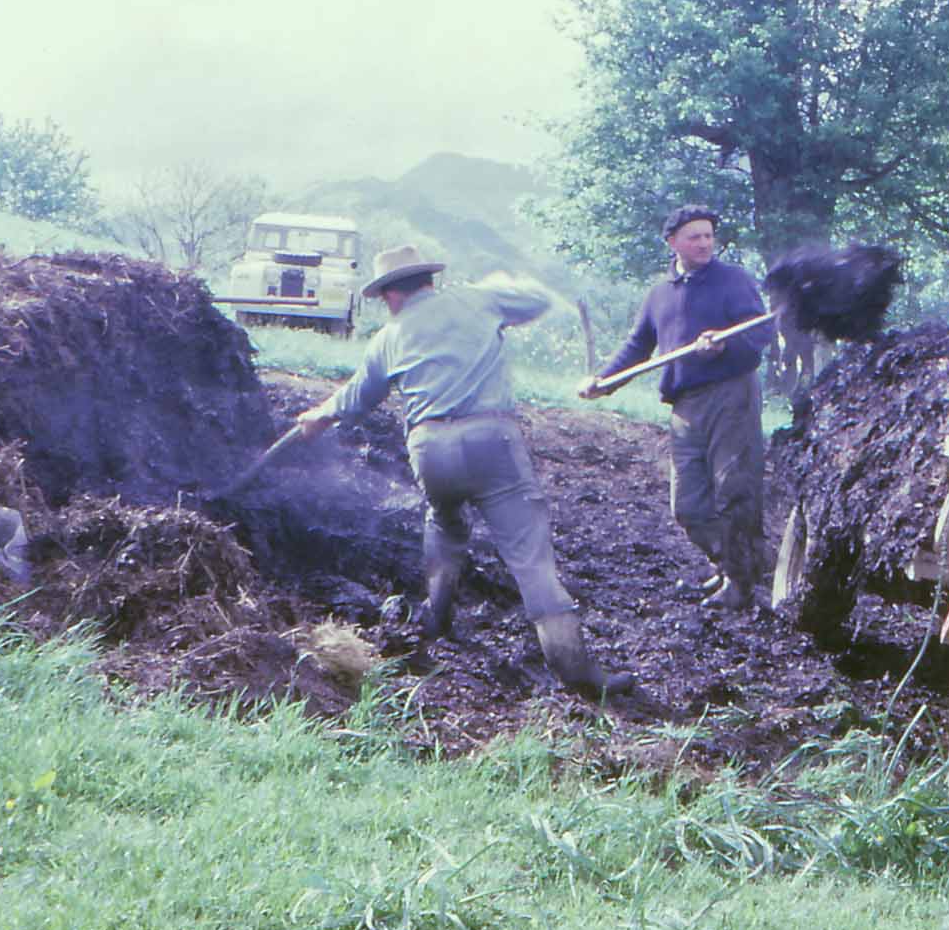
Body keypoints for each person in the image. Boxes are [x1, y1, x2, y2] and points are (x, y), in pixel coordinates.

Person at [294, 243, 632, 702]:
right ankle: (576, 672)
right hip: (491, 439)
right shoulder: (478, 298)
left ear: (390, 295)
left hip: (430, 449)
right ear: (428, 279)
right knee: (529, 557)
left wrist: (318, 414)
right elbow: (539, 301)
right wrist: (502, 285)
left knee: (443, 519)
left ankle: (437, 613)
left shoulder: (388, 337)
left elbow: (355, 398)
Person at [580, 205, 774, 610]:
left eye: (708, 236)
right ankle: (734, 565)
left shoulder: (732, 281)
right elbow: (638, 347)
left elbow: (760, 332)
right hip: (684, 404)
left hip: (731, 396)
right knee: (688, 505)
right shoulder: (660, 294)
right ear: (672, 243)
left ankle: (738, 584)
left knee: (734, 492)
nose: (704, 243)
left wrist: (724, 343)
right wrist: (605, 381)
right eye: (694, 237)